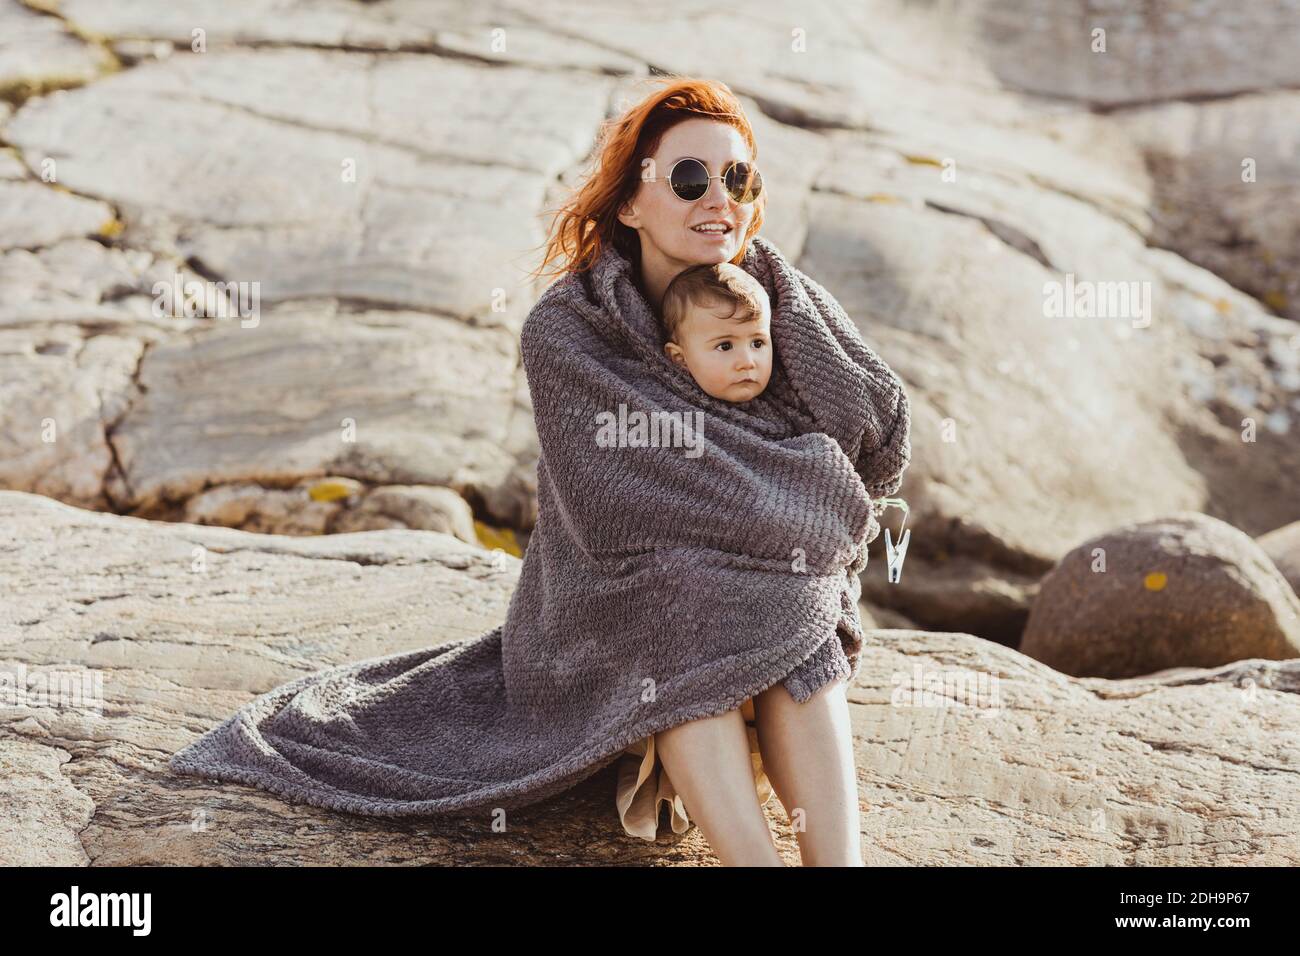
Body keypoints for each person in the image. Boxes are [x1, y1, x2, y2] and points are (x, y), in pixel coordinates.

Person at [529, 75, 893, 866]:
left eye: (738, 179)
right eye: (689, 178)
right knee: (684, 589)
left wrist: (791, 514)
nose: (718, 197)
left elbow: (875, 434)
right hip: (613, 596)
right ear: (629, 202)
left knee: (791, 595)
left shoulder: (773, 302)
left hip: (769, 590)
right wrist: (791, 503)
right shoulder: (567, 329)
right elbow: (613, 509)